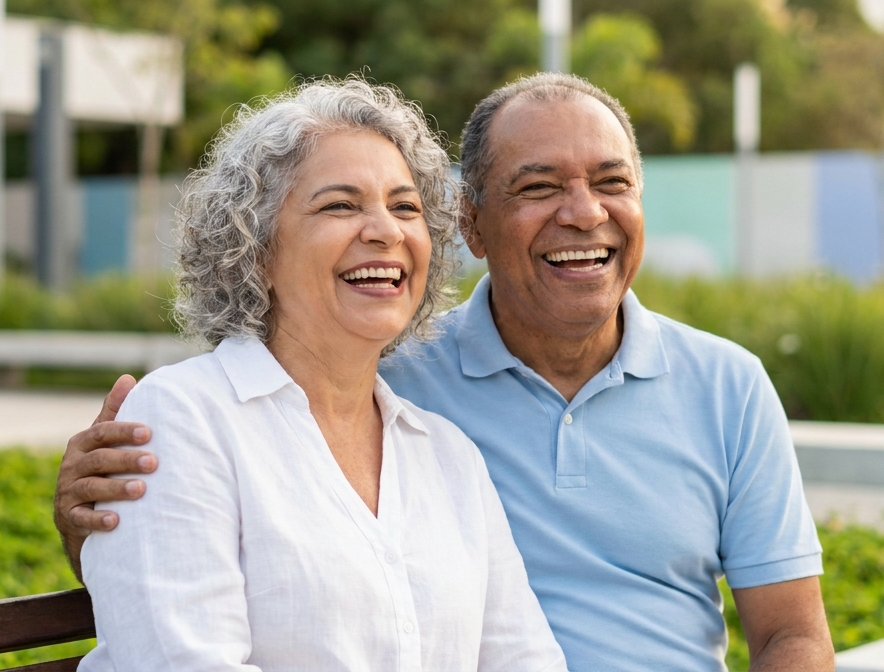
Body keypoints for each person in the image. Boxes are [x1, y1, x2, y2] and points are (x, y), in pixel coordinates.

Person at [57, 73, 834, 671]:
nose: (584, 213)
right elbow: (169, 605)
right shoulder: (212, 415)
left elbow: (528, 657)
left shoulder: (436, 446)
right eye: (338, 206)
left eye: (402, 208)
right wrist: (94, 522)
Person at [73, 78, 568, 672]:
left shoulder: (449, 455)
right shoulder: (181, 417)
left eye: (405, 206)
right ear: (254, 248)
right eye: (340, 204)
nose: (387, 230)